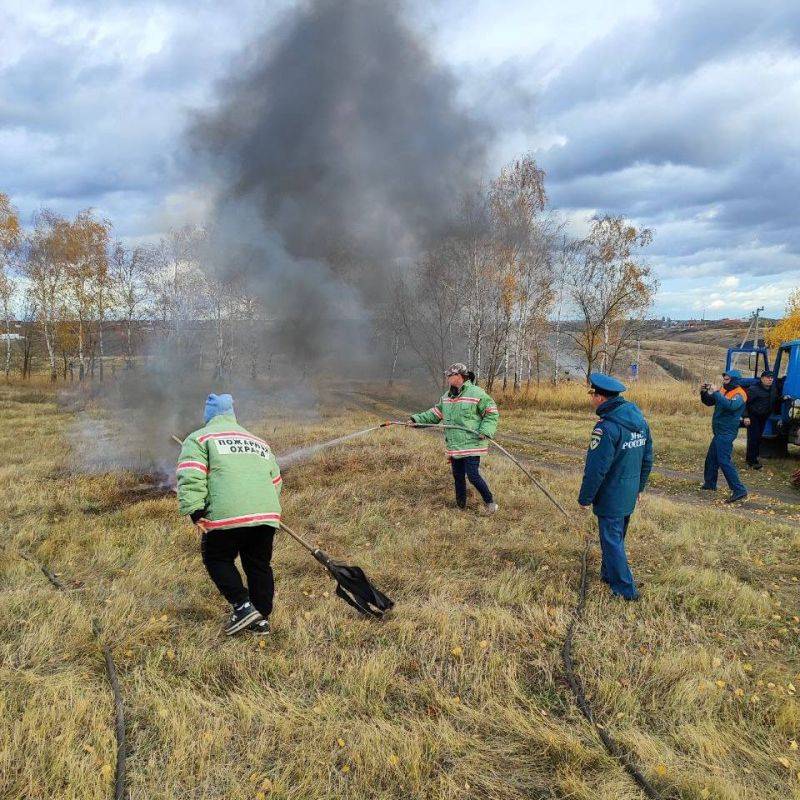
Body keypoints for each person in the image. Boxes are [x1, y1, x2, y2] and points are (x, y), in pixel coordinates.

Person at [177, 393, 283, 636]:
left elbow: (191, 474)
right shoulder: (259, 442)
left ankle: (243, 606)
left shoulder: (199, 438)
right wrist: (264, 508)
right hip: (266, 515)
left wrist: (195, 510)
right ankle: (261, 618)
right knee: (259, 564)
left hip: (227, 515)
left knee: (217, 558)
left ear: (208, 414)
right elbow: (276, 480)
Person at [578, 373, 653, 602]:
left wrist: (585, 498)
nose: (592, 399)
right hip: (629, 493)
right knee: (615, 538)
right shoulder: (639, 420)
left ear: (601, 398)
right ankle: (608, 573)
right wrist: (640, 487)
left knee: (612, 541)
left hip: (611, 494)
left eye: (593, 395)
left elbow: (596, 469)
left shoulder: (606, 428)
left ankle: (625, 589)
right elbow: (647, 457)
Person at [410, 363, 500, 514]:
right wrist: (415, 421)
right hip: (454, 445)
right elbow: (435, 414)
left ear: (459, 376)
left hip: (472, 444)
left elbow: (491, 413)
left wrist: (486, 430)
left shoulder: (476, 393)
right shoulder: (446, 397)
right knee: (458, 476)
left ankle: (490, 502)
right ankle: (460, 506)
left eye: (450, 376)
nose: (448, 378)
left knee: (472, 475)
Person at [700, 369, 748, 503]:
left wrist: (715, 392)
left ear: (734, 380)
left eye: (727, 379)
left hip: (727, 432)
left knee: (724, 461)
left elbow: (730, 406)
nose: (724, 381)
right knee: (711, 459)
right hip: (719, 431)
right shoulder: (723, 390)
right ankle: (710, 484)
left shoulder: (740, 394)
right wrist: (704, 392)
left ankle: (739, 490)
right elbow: (709, 402)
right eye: (724, 379)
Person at [742, 370, 776, 469]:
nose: (770, 379)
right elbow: (744, 403)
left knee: (758, 438)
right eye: (768, 377)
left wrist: (784, 399)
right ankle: (751, 461)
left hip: (763, 417)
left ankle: (754, 457)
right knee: (753, 438)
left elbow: (775, 399)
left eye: (771, 378)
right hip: (753, 417)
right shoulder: (753, 389)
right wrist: (746, 416)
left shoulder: (772, 390)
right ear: (762, 379)